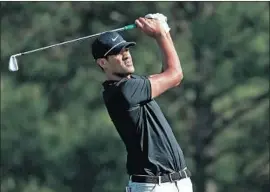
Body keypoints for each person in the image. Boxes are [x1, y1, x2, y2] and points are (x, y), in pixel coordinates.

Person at [91, 16, 193, 192]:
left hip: (176, 182)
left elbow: (168, 75)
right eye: (117, 52)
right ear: (102, 62)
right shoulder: (125, 91)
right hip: (155, 186)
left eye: (126, 49)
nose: (126, 55)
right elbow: (175, 74)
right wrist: (160, 35)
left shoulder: (131, 85)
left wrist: (165, 32)